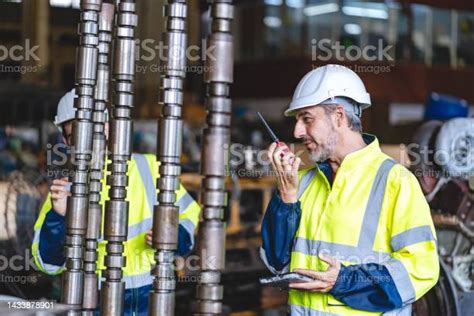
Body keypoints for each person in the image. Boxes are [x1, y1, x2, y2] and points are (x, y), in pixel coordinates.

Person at [260, 64, 439, 315]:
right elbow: (275, 263)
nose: (297, 131)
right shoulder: (300, 183)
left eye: (307, 119)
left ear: (339, 117)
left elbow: (421, 269)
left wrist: (345, 280)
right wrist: (287, 199)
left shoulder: (395, 182)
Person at [31, 89, 201, 315]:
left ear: (108, 128)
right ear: (66, 141)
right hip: (94, 298)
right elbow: (48, 263)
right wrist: (59, 218)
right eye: (77, 136)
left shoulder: (149, 168)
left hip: (152, 293)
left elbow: (190, 214)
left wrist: (174, 236)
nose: (87, 142)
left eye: (93, 131)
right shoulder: (64, 191)